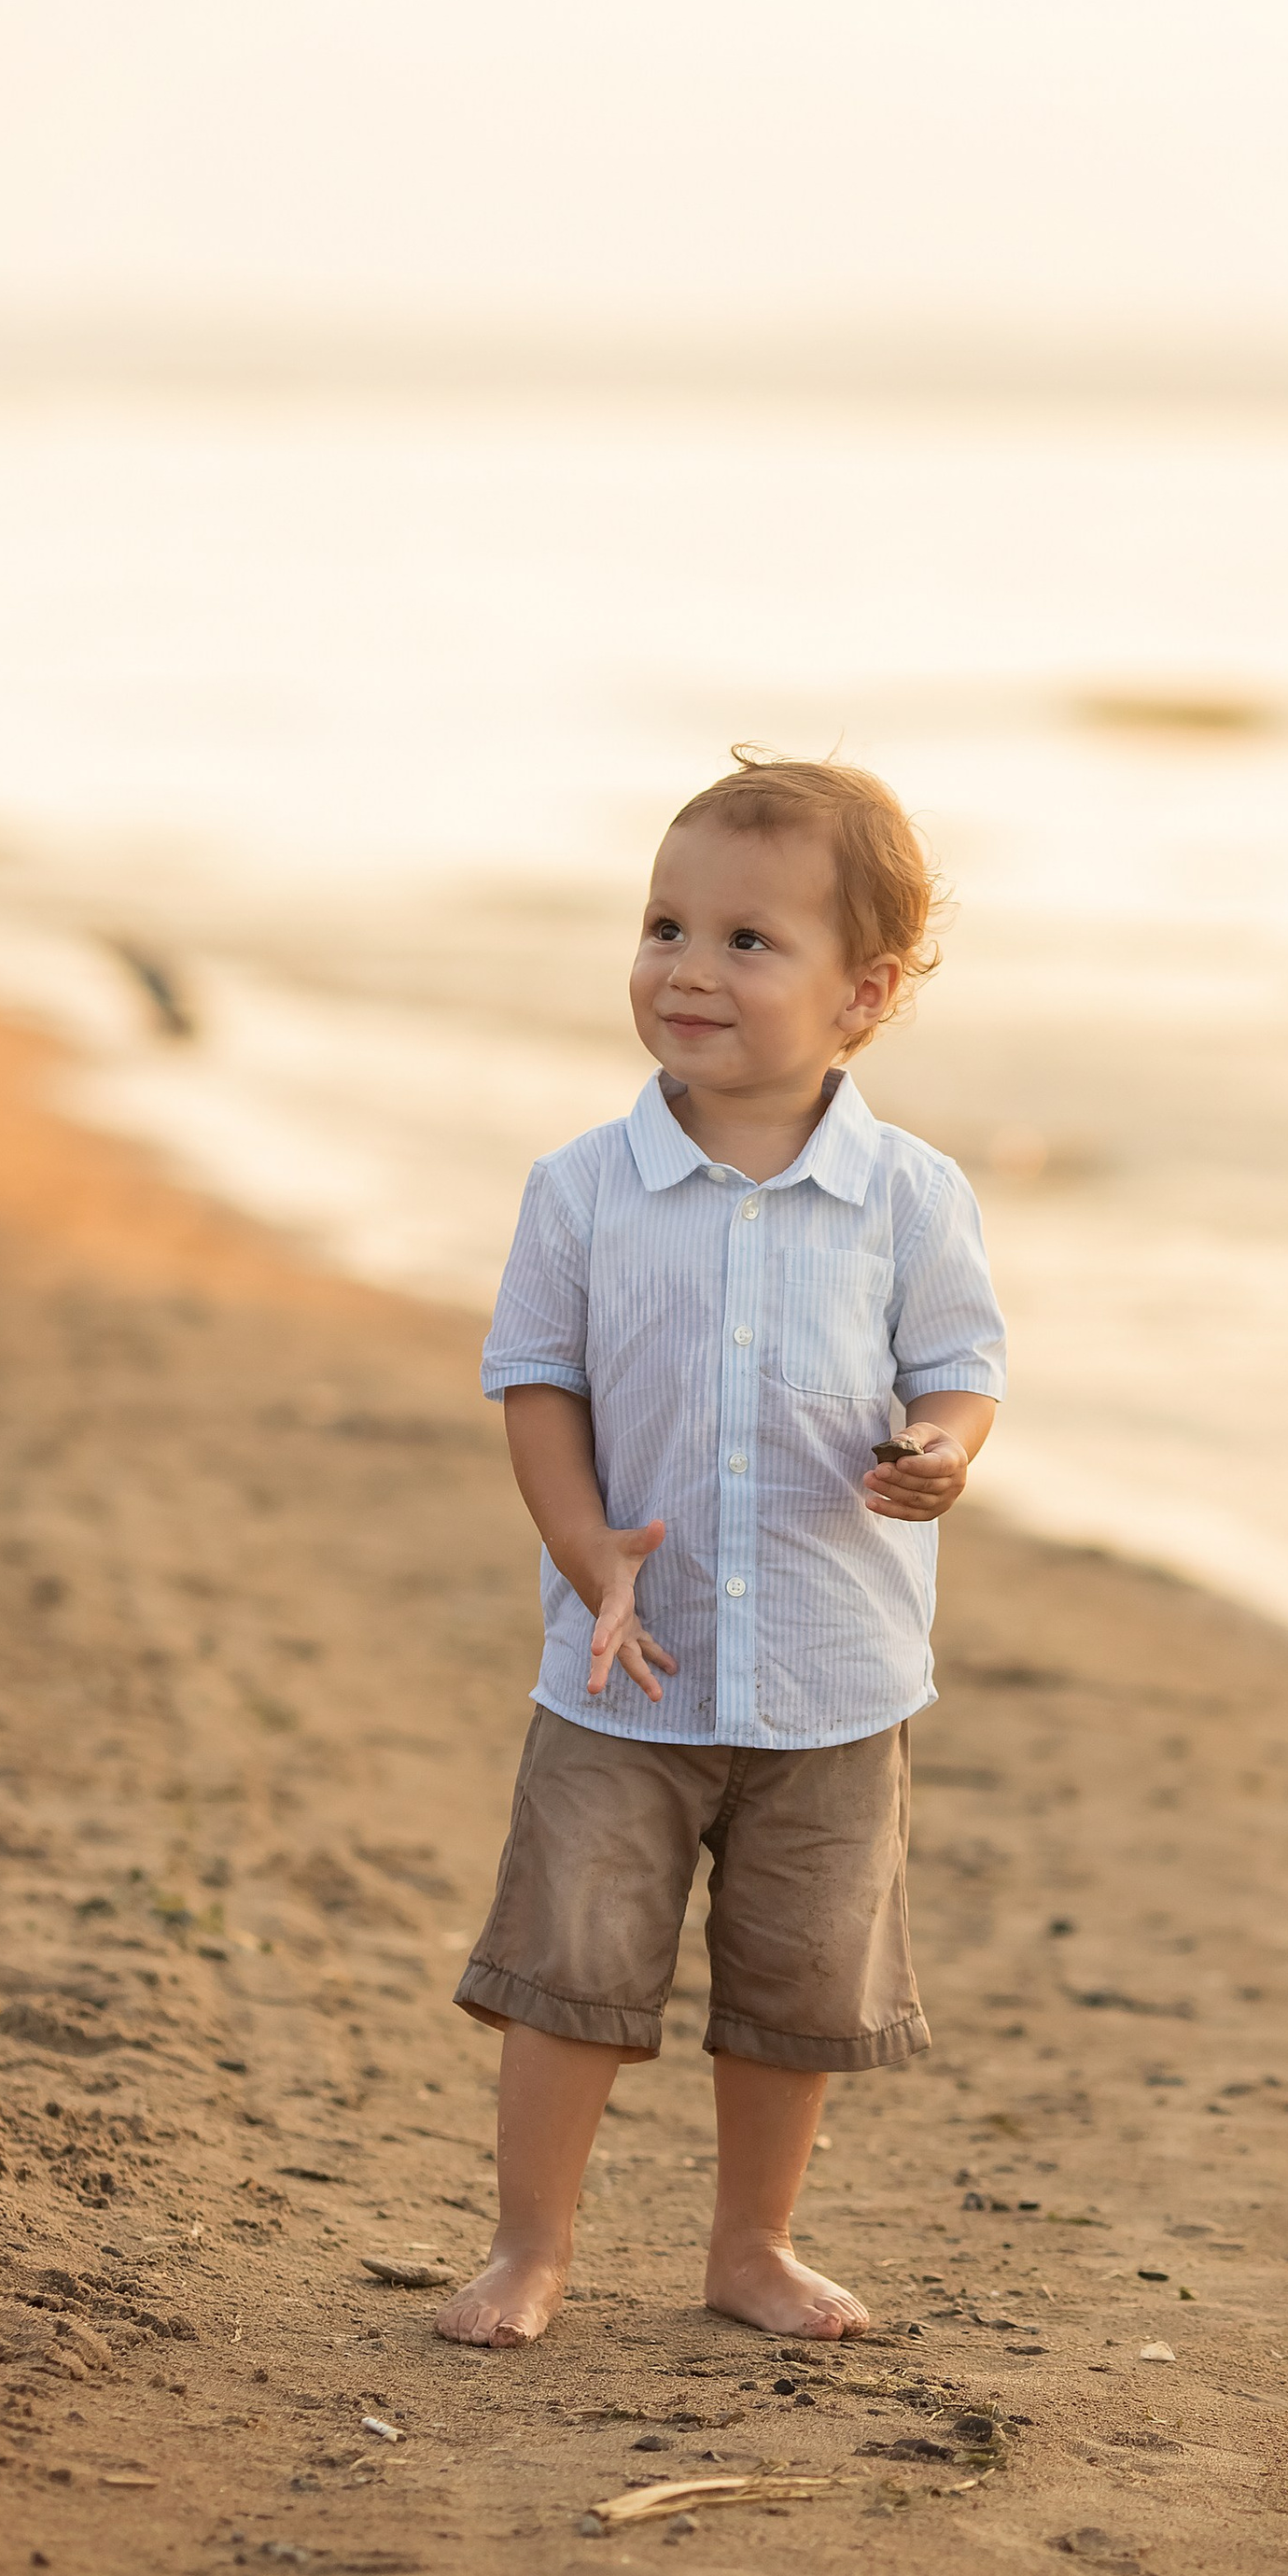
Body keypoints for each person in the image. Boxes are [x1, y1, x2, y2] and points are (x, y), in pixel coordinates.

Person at [438, 751, 1006, 2347]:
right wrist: (584, 1544)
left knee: (796, 1993)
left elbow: (963, 1368)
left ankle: (751, 2247)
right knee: (571, 1971)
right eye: (664, 925)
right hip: (627, 1670)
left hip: (836, 1673)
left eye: (748, 942)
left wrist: (942, 1453)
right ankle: (528, 2247)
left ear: (862, 991)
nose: (688, 968)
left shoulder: (910, 1197)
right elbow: (534, 1383)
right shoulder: (586, 1189)